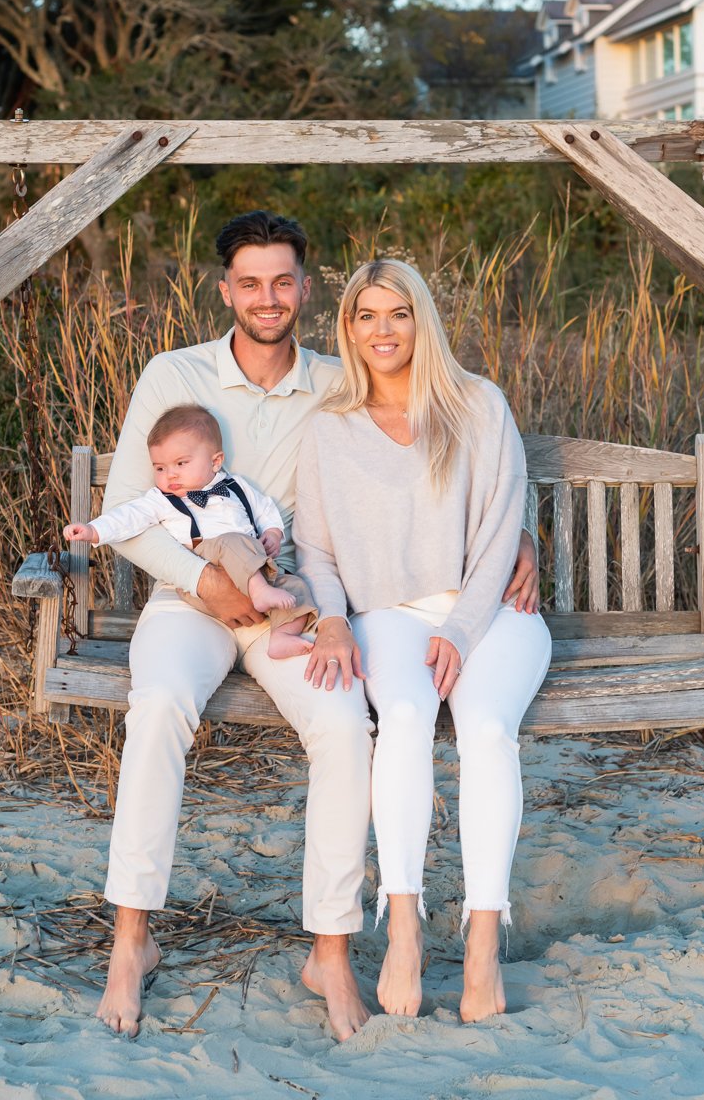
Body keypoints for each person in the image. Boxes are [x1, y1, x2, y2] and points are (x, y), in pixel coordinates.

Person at [92, 213, 539, 1041]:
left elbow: (485, 454)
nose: (268, 298)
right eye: (250, 283)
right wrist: (208, 584)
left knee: (345, 725)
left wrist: (527, 534)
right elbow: (130, 512)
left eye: (284, 281)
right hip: (190, 600)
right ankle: (132, 941)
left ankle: (329, 950)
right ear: (225, 290)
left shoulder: (344, 380)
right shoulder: (173, 374)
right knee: (157, 705)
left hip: (295, 609)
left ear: (306, 288)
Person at [293, 258, 552, 1024]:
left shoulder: (477, 405)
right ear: (347, 327)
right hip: (385, 618)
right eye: (366, 316)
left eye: (398, 314)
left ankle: (480, 943)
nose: (382, 330)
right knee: (401, 719)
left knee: (485, 729)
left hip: (493, 612)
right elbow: (315, 552)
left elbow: (505, 527)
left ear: (422, 320)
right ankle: (402, 927)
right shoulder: (329, 428)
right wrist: (333, 617)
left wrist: (464, 632)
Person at [63, 403, 316, 658]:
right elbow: (129, 516)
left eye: (180, 463)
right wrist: (93, 530)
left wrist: (272, 533)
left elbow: (264, 509)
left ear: (216, 461)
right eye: (160, 468)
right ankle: (259, 592)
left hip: (256, 566)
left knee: (297, 588)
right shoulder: (162, 500)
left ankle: (282, 637)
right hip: (207, 564)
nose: (170, 475)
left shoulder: (235, 485)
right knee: (232, 542)